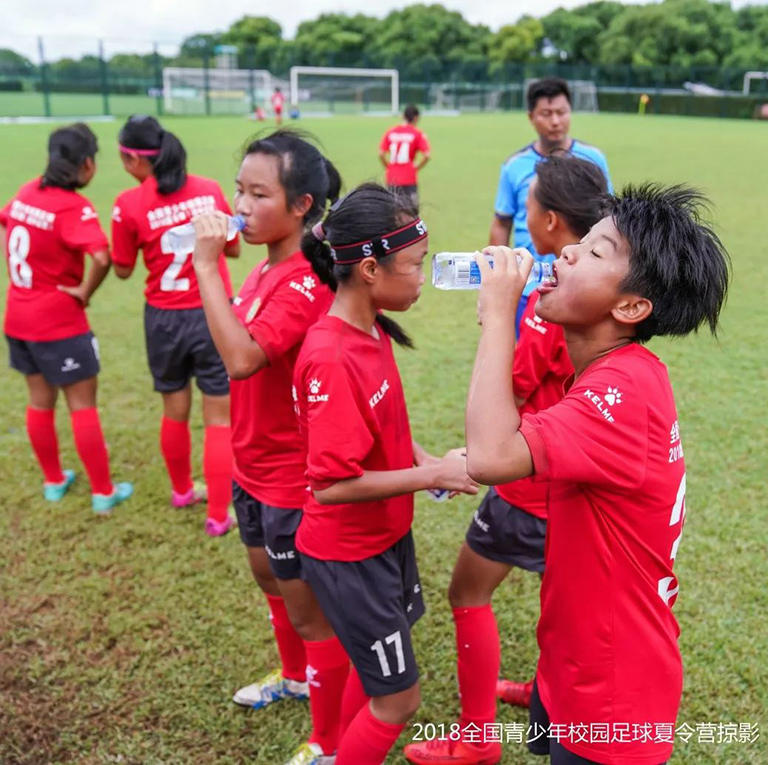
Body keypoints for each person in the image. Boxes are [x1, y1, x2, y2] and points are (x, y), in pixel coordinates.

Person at [466, 185, 730, 764]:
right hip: (575, 655)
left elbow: (490, 456)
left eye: (594, 251)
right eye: (580, 242)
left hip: (611, 697)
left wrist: (497, 317)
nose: (567, 252)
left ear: (631, 308)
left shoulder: (622, 390)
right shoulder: (623, 373)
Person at [404, 155, 609, 765]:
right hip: (573, 481)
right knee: (561, 603)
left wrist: (496, 323)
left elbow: (511, 395)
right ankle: (546, 706)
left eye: (527, 207)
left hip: (529, 485)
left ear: (550, 222)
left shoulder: (551, 308)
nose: (522, 217)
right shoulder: (602, 294)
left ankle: (477, 739)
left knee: (467, 593)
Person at [296, 183, 480, 765]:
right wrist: (431, 478)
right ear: (371, 269)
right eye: (417, 264)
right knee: (399, 701)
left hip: (384, 540)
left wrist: (424, 460)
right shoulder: (331, 356)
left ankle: (339, 748)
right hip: (349, 556)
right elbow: (331, 486)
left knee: (376, 678)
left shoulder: (371, 324)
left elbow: (380, 435)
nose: (424, 277)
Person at [192, 130, 347, 765]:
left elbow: (242, 358)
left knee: (312, 616)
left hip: (290, 477)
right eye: (240, 190)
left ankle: (330, 742)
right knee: (271, 584)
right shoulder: (264, 264)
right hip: (249, 465)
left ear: (302, 205)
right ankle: (293, 677)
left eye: (260, 194)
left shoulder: (304, 282)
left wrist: (207, 266)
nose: (241, 206)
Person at [0, 123, 132, 514]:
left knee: (40, 402)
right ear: (87, 164)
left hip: (18, 317)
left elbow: (1, 220)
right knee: (82, 405)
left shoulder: (27, 192)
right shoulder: (73, 206)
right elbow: (102, 257)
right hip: (58, 323)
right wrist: (85, 292)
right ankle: (103, 492)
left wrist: (17, 269)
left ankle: (53, 481)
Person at [111, 115, 238, 536]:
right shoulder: (209, 190)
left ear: (134, 159)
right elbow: (234, 248)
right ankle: (218, 515)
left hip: (163, 319)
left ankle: (182, 490)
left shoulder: (127, 203)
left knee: (174, 411)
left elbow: (123, 268)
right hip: (212, 314)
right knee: (219, 418)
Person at [489, 77, 612, 333]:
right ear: (531, 117)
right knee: (525, 353)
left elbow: (609, 218)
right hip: (528, 286)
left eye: (561, 112)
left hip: (579, 286)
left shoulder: (593, 159)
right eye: (546, 114)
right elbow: (502, 222)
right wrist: (497, 274)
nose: (555, 121)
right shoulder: (514, 166)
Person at [379, 104, 431, 206]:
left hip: (392, 178)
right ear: (416, 118)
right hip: (409, 178)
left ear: (403, 116)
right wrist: (417, 167)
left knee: (392, 210)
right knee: (411, 210)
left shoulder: (391, 132)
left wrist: (388, 166)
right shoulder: (417, 133)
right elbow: (427, 155)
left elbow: (381, 154)